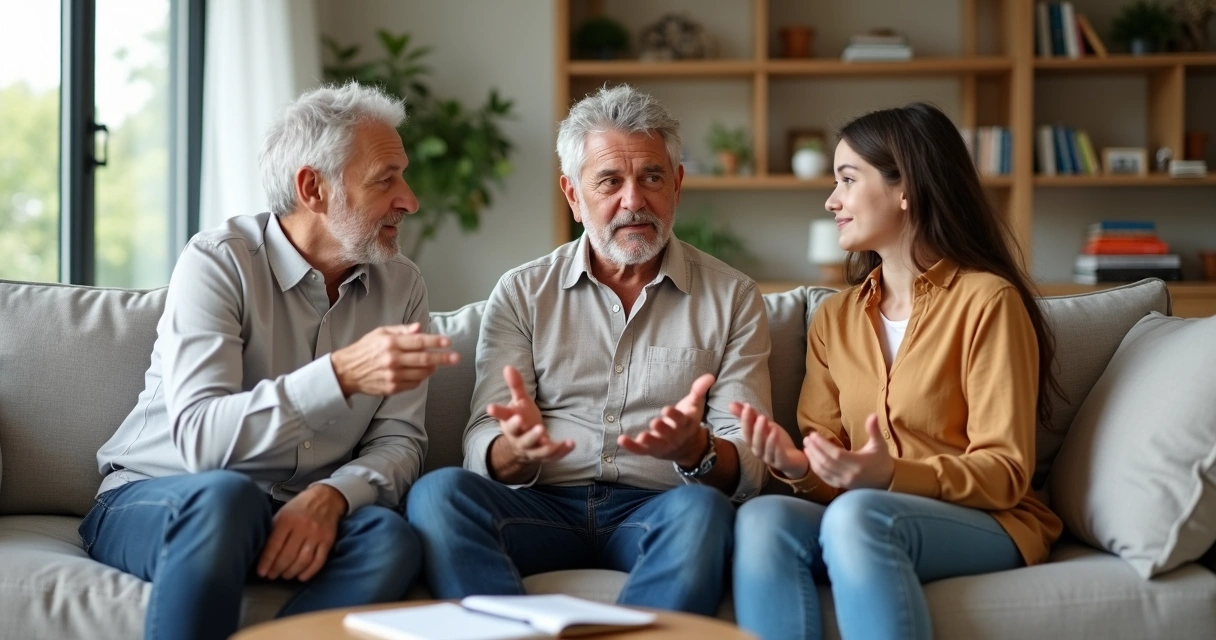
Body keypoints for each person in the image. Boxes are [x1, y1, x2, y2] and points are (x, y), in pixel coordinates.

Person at [82, 82, 459, 640]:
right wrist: (341, 374)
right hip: (165, 496)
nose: (410, 199)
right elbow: (202, 442)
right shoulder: (218, 261)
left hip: (285, 514)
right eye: (386, 179)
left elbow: (399, 440)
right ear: (314, 188)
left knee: (389, 539)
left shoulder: (401, 285)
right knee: (228, 497)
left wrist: (332, 494)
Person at [407, 84, 772, 615]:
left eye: (651, 177)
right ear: (573, 195)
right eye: (609, 181)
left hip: (660, 507)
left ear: (678, 185)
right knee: (437, 496)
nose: (633, 200)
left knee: (703, 511)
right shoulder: (521, 291)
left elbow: (752, 458)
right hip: (537, 504)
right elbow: (483, 436)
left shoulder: (734, 297)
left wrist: (698, 451)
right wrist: (514, 449)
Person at [730, 102, 1064, 640]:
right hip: (863, 516)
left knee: (858, 516)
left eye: (847, 179)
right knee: (763, 521)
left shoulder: (987, 301)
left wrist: (888, 476)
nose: (831, 200)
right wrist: (798, 467)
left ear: (905, 188)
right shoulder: (834, 319)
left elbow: (1005, 474)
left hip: (988, 519)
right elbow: (832, 469)